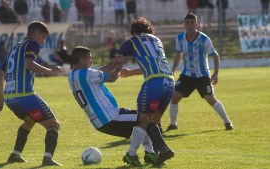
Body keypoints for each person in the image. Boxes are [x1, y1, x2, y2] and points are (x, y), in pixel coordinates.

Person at [68, 46, 158, 167]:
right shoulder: (88, 73)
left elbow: (97, 73)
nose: (92, 61)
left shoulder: (73, 75)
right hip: (109, 116)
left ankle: (149, 153)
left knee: (139, 120)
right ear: (83, 60)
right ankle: (132, 155)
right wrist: (119, 66)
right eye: (90, 58)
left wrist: (111, 64)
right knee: (144, 118)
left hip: (98, 122)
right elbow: (112, 77)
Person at [0, 21, 63, 166]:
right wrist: (50, 71)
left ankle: (15, 155)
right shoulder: (32, 44)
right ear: (35, 34)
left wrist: (1, 100)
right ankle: (47, 159)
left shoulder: (15, 49)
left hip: (10, 98)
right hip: (24, 96)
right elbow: (29, 64)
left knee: (30, 121)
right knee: (53, 125)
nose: (42, 42)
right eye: (43, 37)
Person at [117, 17, 175, 166]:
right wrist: (131, 72)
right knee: (154, 119)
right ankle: (154, 155)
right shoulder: (157, 40)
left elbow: (119, 56)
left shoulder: (134, 40)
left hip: (154, 83)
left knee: (143, 117)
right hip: (169, 81)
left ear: (134, 31)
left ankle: (153, 150)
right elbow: (152, 63)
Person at [166, 13, 233, 132]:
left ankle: (227, 122)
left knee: (210, 99)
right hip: (187, 75)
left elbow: (215, 55)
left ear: (196, 24)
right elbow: (179, 54)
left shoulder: (204, 39)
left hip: (202, 76)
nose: (190, 25)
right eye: (187, 23)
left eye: (192, 23)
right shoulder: (180, 38)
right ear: (184, 25)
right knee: (175, 97)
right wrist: (173, 69)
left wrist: (216, 72)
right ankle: (173, 124)